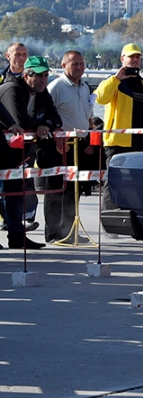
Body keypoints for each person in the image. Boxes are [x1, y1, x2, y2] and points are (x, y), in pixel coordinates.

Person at [0, 56, 66, 249]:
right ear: (26, 75)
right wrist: (41, 125)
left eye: (45, 75)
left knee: (14, 194)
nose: (42, 80)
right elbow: (19, 121)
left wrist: (45, 124)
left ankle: (17, 236)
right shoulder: (12, 89)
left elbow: (56, 118)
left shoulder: (42, 92)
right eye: (38, 76)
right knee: (8, 194)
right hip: (4, 149)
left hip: (15, 154)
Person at [95, 43, 143, 212]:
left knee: (141, 181)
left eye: (138, 57)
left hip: (142, 143)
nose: (135, 60)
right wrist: (116, 78)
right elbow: (100, 98)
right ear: (122, 59)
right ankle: (110, 218)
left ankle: (136, 216)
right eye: (131, 57)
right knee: (113, 182)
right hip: (118, 142)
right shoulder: (114, 81)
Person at [45, 50, 94, 245]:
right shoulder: (56, 87)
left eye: (82, 63)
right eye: (75, 64)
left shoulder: (84, 87)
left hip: (79, 143)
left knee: (74, 189)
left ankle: (70, 229)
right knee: (56, 188)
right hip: (60, 144)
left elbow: (87, 115)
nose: (80, 67)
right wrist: (57, 135)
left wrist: (89, 137)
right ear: (64, 65)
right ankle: (54, 232)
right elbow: (47, 115)